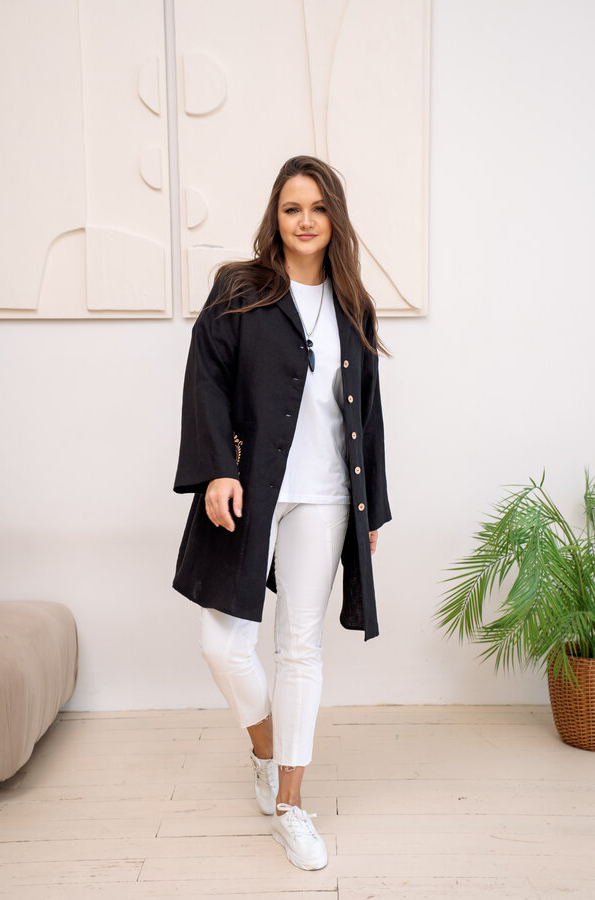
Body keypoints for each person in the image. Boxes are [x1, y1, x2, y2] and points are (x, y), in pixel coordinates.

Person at [172, 155, 391, 871]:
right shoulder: (240, 290)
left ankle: (293, 806)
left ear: (335, 219)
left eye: (318, 208)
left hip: (327, 496)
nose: (305, 220)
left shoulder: (353, 304)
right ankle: (266, 754)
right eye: (293, 208)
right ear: (276, 216)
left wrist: (372, 511)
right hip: (251, 490)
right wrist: (216, 469)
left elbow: (368, 413)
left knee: (300, 648)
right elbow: (205, 379)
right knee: (222, 643)